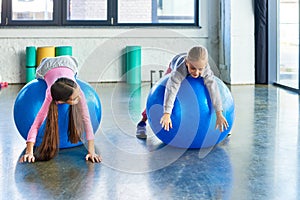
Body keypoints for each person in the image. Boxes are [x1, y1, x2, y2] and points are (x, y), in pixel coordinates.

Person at [19, 56, 102, 163]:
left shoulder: (78, 91)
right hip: (47, 66)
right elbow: (37, 123)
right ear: (61, 102)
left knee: (74, 66)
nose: (79, 98)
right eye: (74, 99)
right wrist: (29, 152)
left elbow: (87, 120)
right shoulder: (50, 94)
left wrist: (91, 152)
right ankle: (45, 59)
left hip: (67, 62)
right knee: (39, 73)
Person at [136, 46, 229, 139]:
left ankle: (222, 124)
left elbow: (214, 90)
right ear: (187, 63)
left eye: (200, 69)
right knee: (161, 90)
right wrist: (167, 113)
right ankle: (142, 121)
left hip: (192, 61)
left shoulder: (206, 71)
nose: (196, 73)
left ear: (205, 66)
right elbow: (171, 90)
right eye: (193, 68)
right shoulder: (179, 71)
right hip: (175, 64)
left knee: (210, 86)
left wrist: (219, 114)